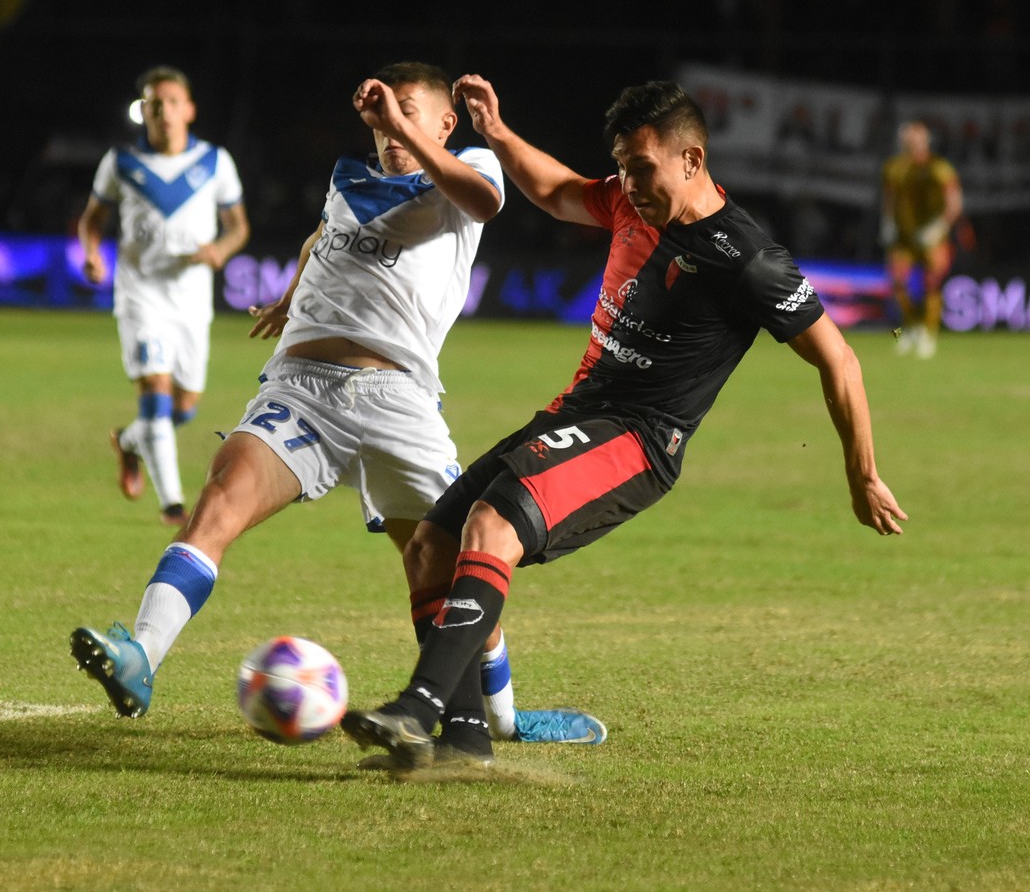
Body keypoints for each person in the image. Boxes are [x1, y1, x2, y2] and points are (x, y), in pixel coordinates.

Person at [340, 76, 908, 771]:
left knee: (490, 525)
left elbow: (840, 361)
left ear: (691, 161)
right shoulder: (630, 203)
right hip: (576, 414)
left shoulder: (746, 258)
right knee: (432, 541)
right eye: (622, 167)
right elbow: (555, 191)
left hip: (638, 440)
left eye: (642, 168)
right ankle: (461, 744)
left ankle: (415, 709)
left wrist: (863, 475)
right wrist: (496, 133)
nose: (629, 184)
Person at [69, 62, 606, 748]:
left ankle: (502, 718)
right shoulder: (348, 176)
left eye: (410, 113)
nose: (390, 131)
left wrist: (399, 125)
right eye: (384, 118)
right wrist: (293, 296)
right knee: (220, 499)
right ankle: (140, 655)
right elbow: (322, 235)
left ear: (443, 122)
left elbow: (482, 201)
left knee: (449, 564)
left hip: (398, 400)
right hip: (300, 387)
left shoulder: (470, 163)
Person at [77, 66, 251, 525]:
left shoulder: (215, 162)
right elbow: (92, 217)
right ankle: (173, 505)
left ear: (189, 109)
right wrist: (92, 253)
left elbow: (238, 228)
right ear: (145, 113)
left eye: (173, 102)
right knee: (154, 394)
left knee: (184, 408)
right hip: (141, 295)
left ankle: (131, 442)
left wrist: (220, 250)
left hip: (192, 300)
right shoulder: (121, 162)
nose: (165, 112)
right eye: (155, 104)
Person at [880, 120, 962, 359]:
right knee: (897, 283)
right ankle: (910, 328)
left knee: (931, 284)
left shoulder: (939, 167)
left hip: (931, 237)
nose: (911, 143)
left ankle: (928, 334)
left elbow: (954, 201)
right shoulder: (895, 167)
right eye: (907, 139)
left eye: (916, 139)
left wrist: (939, 227)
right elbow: (889, 197)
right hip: (904, 237)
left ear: (925, 141)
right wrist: (887, 223)